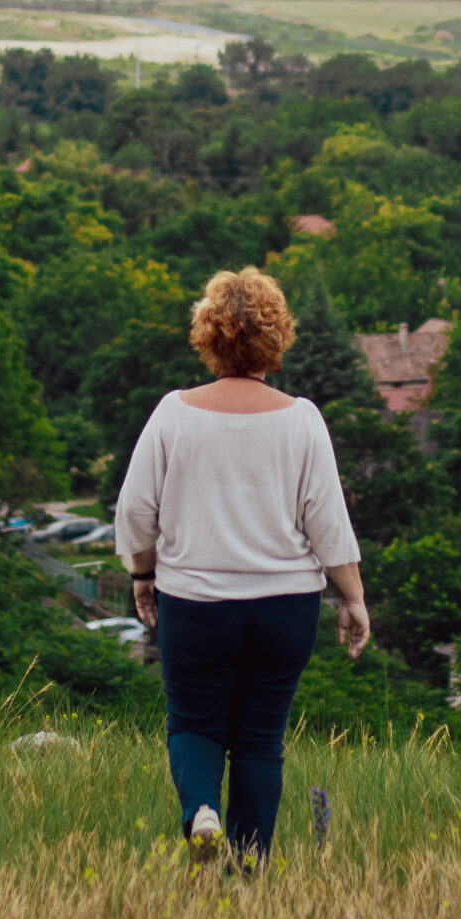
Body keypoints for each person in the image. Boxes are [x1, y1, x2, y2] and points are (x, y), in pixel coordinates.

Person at [115, 266, 370, 866]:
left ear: (207, 335)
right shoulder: (302, 418)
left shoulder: (173, 414)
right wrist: (353, 598)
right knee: (260, 741)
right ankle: (247, 865)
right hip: (286, 609)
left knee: (195, 724)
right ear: (277, 336)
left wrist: (143, 575)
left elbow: (135, 511)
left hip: (196, 604)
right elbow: (327, 521)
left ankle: (201, 810)